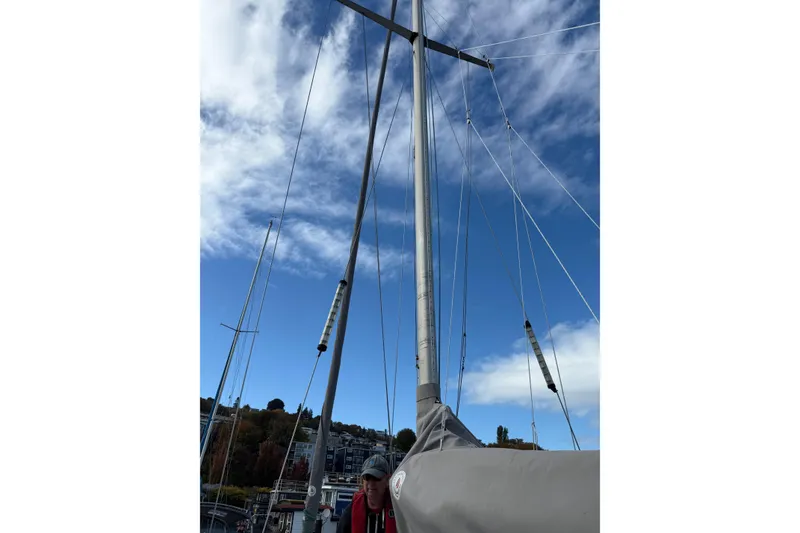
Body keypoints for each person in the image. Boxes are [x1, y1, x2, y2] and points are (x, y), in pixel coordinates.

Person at [336, 454, 396, 533]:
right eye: (367, 477)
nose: (371, 484)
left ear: (387, 481)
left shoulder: (398, 512)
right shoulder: (349, 513)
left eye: (376, 478)